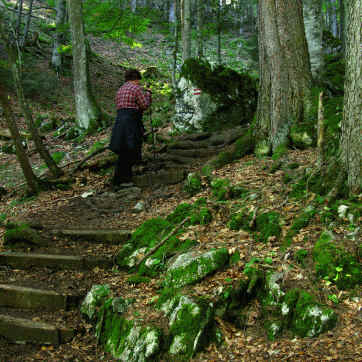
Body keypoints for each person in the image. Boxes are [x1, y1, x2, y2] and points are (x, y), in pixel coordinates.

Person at [109, 69, 152, 187]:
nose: (139, 83)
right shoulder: (136, 88)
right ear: (136, 79)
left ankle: (121, 178)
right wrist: (148, 94)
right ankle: (125, 179)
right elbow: (144, 105)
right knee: (130, 147)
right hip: (131, 121)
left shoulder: (121, 89)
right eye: (138, 80)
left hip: (120, 121)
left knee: (123, 149)